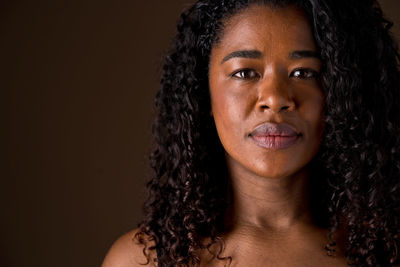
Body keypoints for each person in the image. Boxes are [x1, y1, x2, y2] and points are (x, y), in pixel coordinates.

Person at [102, 0, 400, 266]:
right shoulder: (144, 261)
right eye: (245, 73)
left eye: (304, 72)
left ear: (342, 93)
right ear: (202, 93)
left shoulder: (386, 254)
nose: (275, 98)